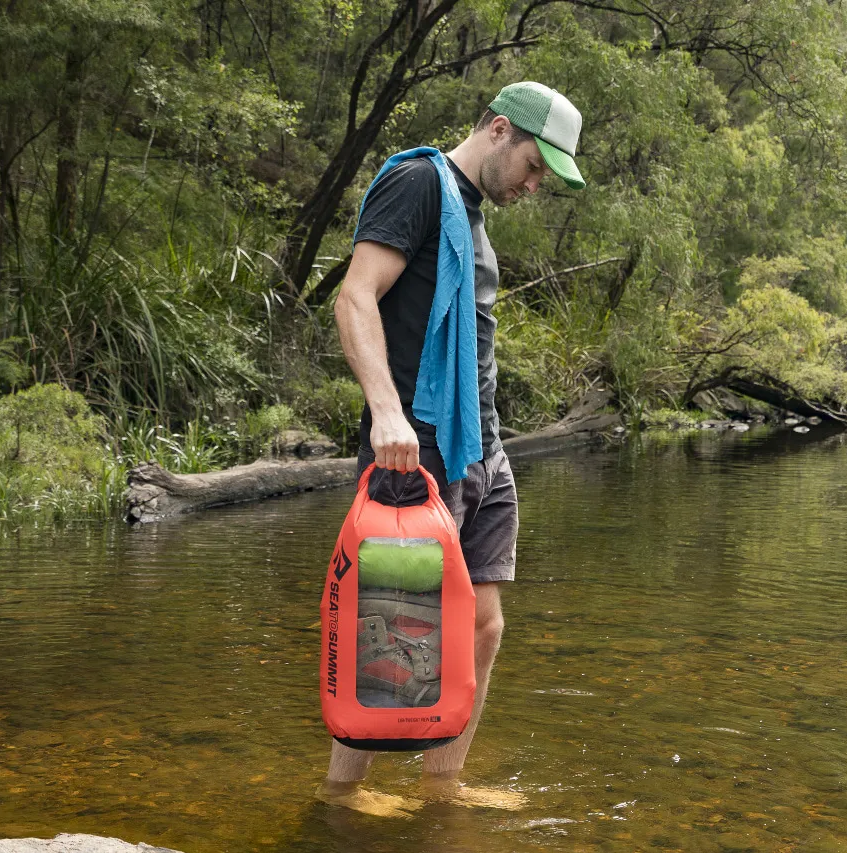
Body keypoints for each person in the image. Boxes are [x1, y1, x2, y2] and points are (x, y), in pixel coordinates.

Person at [316, 81, 586, 815]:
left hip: (481, 450)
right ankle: (342, 796)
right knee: (394, 630)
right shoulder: (417, 185)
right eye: (535, 166)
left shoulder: (470, 213)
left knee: (483, 625)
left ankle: (442, 786)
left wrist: (490, 449)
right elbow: (356, 295)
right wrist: (384, 412)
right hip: (416, 450)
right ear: (500, 130)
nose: (535, 184)